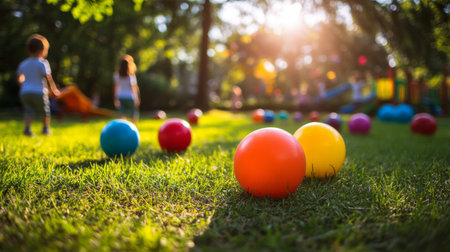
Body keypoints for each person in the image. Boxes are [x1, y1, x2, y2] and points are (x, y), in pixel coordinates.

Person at [17, 34, 60, 136]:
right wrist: (53, 90)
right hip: (38, 92)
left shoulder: (23, 63)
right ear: (42, 51)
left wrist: (23, 86)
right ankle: (45, 129)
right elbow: (47, 78)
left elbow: (19, 78)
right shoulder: (42, 63)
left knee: (28, 111)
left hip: (25, 92)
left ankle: (27, 129)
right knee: (45, 110)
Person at [113, 55, 140, 122]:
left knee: (121, 114)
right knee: (133, 114)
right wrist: (136, 98)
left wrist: (115, 98)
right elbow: (134, 88)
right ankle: (134, 127)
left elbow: (116, 88)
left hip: (121, 96)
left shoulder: (116, 75)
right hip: (130, 97)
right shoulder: (131, 76)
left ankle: (122, 127)